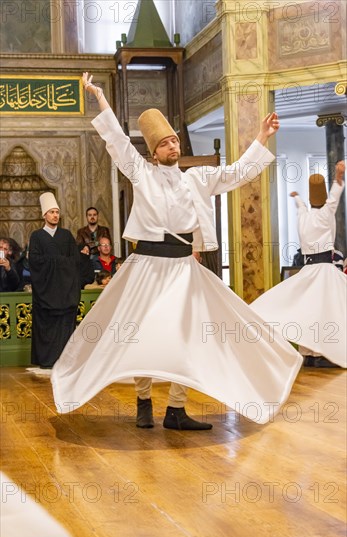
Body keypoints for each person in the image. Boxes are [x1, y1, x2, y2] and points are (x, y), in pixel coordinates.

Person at [51, 72, 302, 430]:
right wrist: (99, 97)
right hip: (147, 266)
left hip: (184, 269)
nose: (173, 146)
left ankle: (176, 410)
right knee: (140, 333)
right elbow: (117, 141)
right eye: (166, 143)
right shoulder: (141, 173)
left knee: (189, 335)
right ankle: (143, 401)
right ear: (154, 151)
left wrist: (261, 136)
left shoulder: (197, 179)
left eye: (174, 141)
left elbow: (237, 173)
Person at [252, 161, 346, 368]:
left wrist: (296, 198)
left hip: (307, 269)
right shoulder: (325, 214)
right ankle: (323, 351)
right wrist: (339, 177)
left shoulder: (303, 216)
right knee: (327, 309)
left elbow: (301, 207)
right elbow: (334, 197)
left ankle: (308, 352)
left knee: (307, 309)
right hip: (324, 269)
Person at [28, 192, 81, 371]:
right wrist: (58, 261)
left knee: (66, 326)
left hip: (65, 291)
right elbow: (34, 262)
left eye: (57, 212)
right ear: (44, 215)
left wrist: (56, 261)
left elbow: (75, 261)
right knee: (47, 327)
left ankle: (65, 360)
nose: (55, 215)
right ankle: (47, 360)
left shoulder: (66, 236)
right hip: (46, 292)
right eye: (51, 212)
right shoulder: (36, 236)